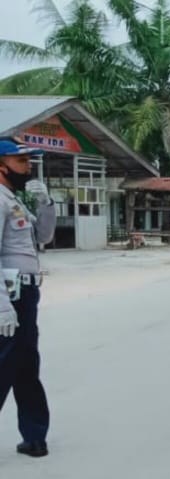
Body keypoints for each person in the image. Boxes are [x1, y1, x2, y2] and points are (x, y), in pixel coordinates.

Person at [0, 136, 56, 458]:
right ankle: (34, 433)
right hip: (10, 293)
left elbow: (44, 237)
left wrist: (45, 204)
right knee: (4, 364)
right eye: (21, 161)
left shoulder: (14, 200)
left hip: (26, 291)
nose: (28, 167)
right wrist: (2, 307)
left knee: (25, 364)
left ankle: (35, 436)